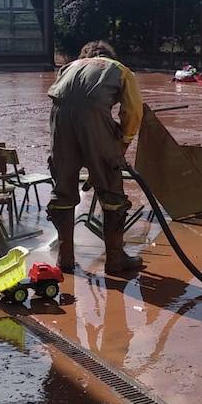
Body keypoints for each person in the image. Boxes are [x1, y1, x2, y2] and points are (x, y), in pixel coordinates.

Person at [46, 40, 143, 274]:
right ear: (111, 55)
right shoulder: (120, 70)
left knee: (63, 191)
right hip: (94, 120)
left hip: (59, 123)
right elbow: (132, 111)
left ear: (84, 55)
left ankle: (65, 258)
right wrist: (123, 142)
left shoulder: (68, 67)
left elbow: (67, 101)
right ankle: (115, 260)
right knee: (111, 193)